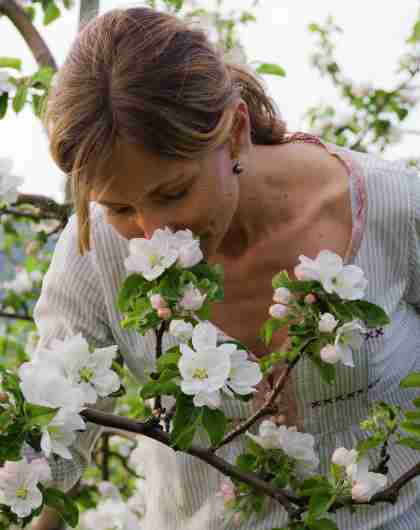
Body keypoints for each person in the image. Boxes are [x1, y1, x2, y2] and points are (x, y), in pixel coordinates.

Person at [35, 6, 420, 530]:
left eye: (173, 192)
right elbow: (50, 451)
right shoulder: (97, 254)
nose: (154, 234)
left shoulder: (393, 208)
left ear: (236, 132)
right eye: (120, 209)